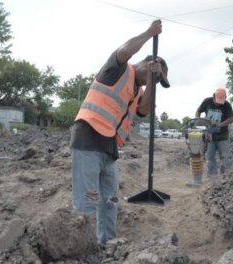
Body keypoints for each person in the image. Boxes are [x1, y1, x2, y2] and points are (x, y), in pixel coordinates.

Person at [69, 19, 170, 245]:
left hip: (110, 148)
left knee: (111, 200)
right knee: (88, 200)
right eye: (158, 76)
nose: (157, 80)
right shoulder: (118, 69)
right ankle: (81, 250)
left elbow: (144, 109)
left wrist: (153, 82)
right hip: (88, 139)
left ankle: (107, 245)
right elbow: (124, 51)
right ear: (149, 64)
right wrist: (148, 33)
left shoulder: (139, 90)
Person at [195, 87, 233, 180]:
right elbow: (198, 111)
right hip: (209, 136)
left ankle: (223, 177)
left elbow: (232, 118)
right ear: (213, 97)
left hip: (223, 136)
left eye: (221, 101)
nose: (218, 103)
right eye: (217, 101)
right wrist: (198, 120)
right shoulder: (207, 102)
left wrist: (220, 124)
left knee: (224, 157)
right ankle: (211, 177)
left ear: (225, 98)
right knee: (209, 158)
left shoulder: (227, 105)